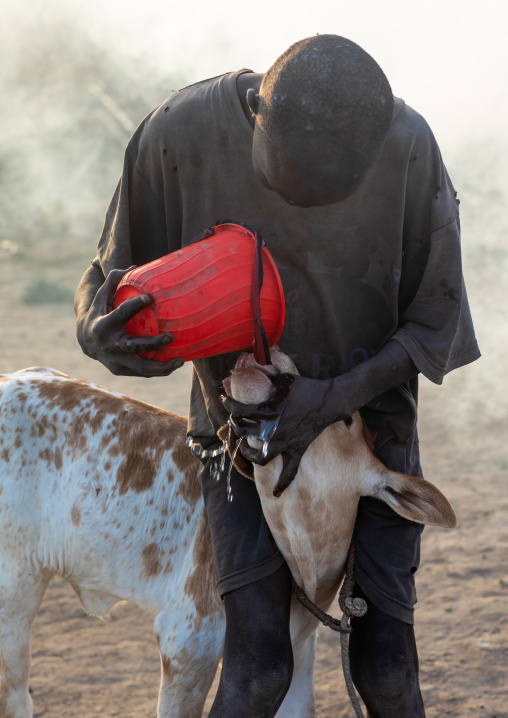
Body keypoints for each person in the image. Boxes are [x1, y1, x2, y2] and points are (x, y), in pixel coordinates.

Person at [75, 34, 480, 718]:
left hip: (368, 434)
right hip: (240, 438)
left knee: (385, 667)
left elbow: (433, 324)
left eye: (333, 193)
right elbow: (106, 278)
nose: (310, 205)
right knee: (258, 668)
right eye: (290, 181)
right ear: (259, 110)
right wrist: (96, 327)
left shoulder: (406, 145)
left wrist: (329, 400)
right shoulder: (178, 134)